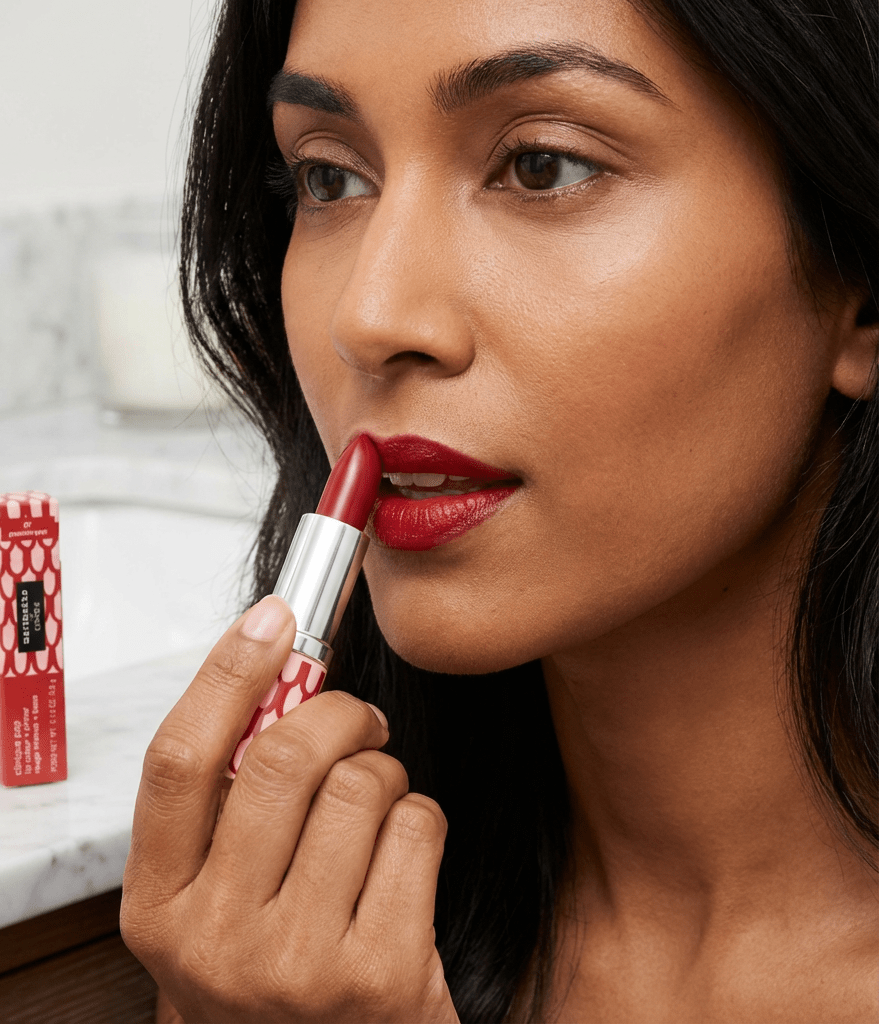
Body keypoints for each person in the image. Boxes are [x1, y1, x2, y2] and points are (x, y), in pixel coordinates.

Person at [121, 0, 878, 1019]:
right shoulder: (284, 955)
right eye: (328, 177)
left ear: (861, 283)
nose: (371, 316)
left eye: (541, 165)